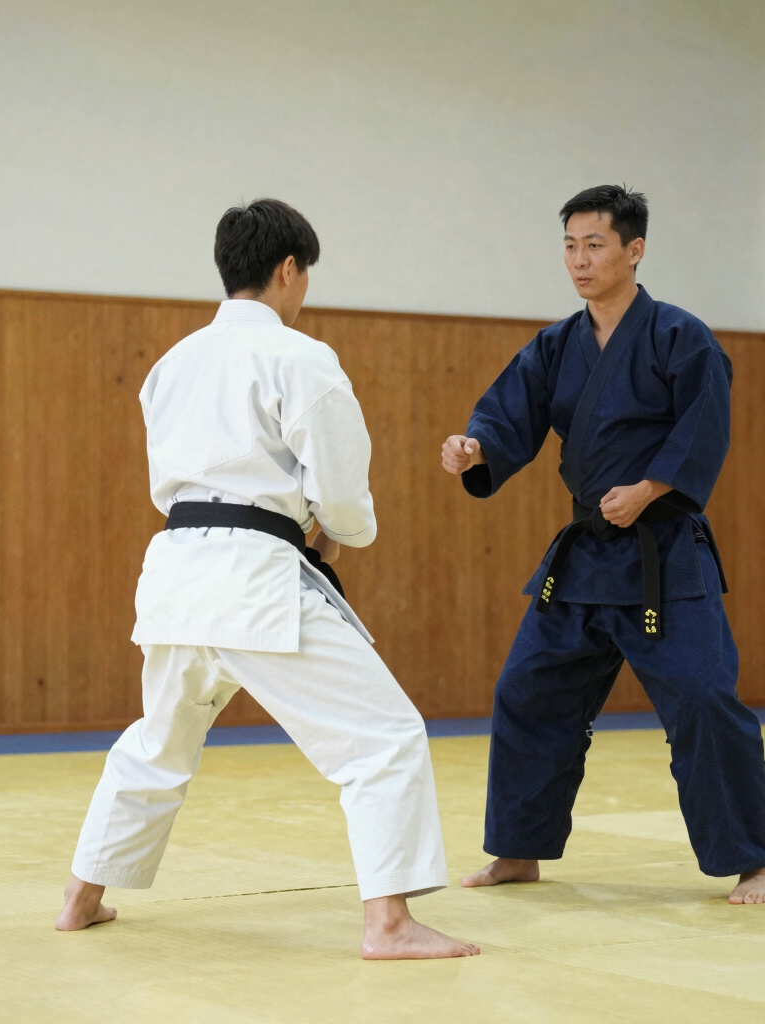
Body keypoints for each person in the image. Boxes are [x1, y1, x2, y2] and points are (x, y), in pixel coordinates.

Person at [57, 198, 480, 958]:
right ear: (289, 269)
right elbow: (342, 486)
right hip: (253, 577)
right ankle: (388, 924)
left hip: (176, 573)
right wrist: (345, 532)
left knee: (160, 741)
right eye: (305, 274)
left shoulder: (172, 363)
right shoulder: (300, 357)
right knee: (385, 738)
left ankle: (81, 897)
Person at [441, 185, 765, 905]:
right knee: (527, 693)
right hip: (587, 557)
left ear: (634, 250)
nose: (579, 260)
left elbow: (704, 427)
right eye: (569, 245)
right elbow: (510, 414)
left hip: (664, 559)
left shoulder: (681, 338)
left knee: (706, 700)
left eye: (594, 244)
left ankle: (750, 861)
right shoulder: (556, 345)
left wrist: (651, 489)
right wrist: (478, 448)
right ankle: (519, 851)